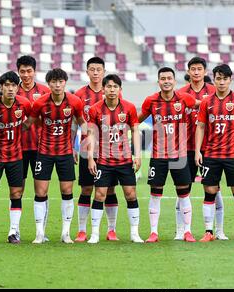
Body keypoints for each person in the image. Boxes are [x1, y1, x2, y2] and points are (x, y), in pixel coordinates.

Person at [23, 68, 85, 244]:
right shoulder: (40, 103)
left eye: (60, 82)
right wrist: (11, 128)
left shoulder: (75, 102)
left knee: (67, 191)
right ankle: (39, 233)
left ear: (65, 83)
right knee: (40, 192)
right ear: (49, 84)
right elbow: (29, 124)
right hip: (44, 153)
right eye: (53, 82)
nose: (57, 85)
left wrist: (81, 146)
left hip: (65, 153)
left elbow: (82, 124)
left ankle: (66, 234)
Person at [195, 64, 234, 242]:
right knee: (209, 192)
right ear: (213, 79)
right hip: (211, 155)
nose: (221, 82)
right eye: (218, 78)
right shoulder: (206, 102)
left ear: (230, 80)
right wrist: (198, 151)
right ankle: (208, 232)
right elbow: (201, 126)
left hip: (232, 154)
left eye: (225, 79)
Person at [138, 67, 197, 243]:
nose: (166, 81)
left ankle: (187, 231)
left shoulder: (184, 98)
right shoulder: (151, 101)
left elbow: (202, 105)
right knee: (155, 193)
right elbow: (137, 119)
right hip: (158, 155)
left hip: (180, 154)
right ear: (158, 82)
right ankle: (153, 232)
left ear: (174, 81)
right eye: (163, 78)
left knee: (184, 193)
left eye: (169, 78)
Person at [86, 74, 143, 244]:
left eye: (115, 87)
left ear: (120, 90)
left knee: (130, 194)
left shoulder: (129, 108)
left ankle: (135, 233)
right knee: (100, 194)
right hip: (103, 161)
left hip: (124, 160)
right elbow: (91, 135)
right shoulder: (95, 109)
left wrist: (137, 155)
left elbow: (135, 131)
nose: (112, 90)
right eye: (109, 87)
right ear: (103, 89)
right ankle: (95, 233)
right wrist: (90, 158)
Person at [178, 57, 228, 240]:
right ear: (189, 71)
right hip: (185, 148)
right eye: (193, 69)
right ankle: (181, 230)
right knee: (183, 190)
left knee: (215, 189)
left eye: (200, 68)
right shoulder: (180, 93)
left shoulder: (216, 92)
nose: (197, 72)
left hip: (211, 149)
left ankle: (219, 230)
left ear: (205, 71)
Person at [0, 71, 32, 245]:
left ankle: (12, 232)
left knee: (16, 193)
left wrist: (22, 128)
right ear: (1, 87)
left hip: (16, 157)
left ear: (18, 87)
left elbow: (31, 119)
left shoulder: (24, 103)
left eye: (13, 85)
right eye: (7, 85)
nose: (10, 89)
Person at [74, 57, 120, 242]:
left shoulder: (113, 91)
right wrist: (71, 146)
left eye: (98, 69)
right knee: (86, 188)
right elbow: (73, 122)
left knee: (109, 189)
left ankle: (111, 230)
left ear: (103, 71)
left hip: (109, 150)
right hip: (87, 148)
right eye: (91, 69)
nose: (95, 73)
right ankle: (82, 230)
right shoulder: (79, 94)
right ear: (87, 71)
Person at [16, 55, 50, 239]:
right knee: (17, 191)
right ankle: (16, 231)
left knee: (41, 191)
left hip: (41, 149)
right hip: (18, 150)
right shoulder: (12, 91)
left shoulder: (45, 92)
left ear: (35, 72)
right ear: (18, 72)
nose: (26, 75)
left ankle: (41, 232)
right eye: (23, 71)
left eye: (29, 71)